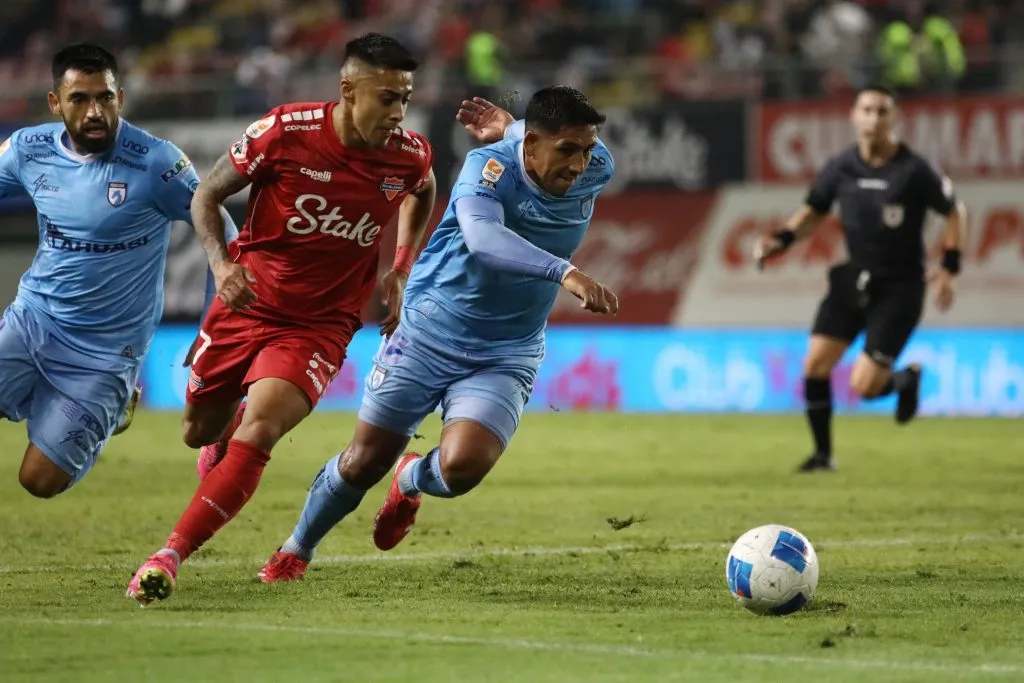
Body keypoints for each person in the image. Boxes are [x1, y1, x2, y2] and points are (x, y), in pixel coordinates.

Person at [256, 86, 619, 584]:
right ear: (532, 145)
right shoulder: (488, 168)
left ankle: (410, 479)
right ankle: (297, 547)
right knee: (364, 462)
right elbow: (483, 238)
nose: (580, 165)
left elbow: (552, 141)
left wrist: (514, 126)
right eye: (567, 151)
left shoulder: (599, 167)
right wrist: (566, 273)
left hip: (507, 348)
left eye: (587, 149)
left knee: (464, 468)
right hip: (428, 329)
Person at [126, 33, 437, 605]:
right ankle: (228, 423)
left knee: (261, 431)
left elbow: (423, 189)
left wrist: (400, 268)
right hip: (245, 302)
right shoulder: (285, 132)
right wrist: (221, 266)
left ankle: (167, 556)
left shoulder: (408, 153)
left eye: (405, 99)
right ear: (348, 90)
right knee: (200, 429)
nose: (398, 113)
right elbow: (207, 196)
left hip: (321, 324)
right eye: (387, 98)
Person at [0, 43, 231, 498]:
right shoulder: (29, 149)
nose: (93, 111)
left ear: (120, 98)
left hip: (104, 355)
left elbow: (220, 224)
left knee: (38, 482)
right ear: (55, 103)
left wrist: (214, 325)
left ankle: (115, 406)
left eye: (104, 98)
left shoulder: (156, 163)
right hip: (33, 322)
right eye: (79, 99)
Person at [754, 85, 966, 472]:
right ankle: (822, 456)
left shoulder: (914, 170)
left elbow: (955, 211)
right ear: (853, 114)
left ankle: (904, 380)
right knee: (815, 365)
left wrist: (949, 266)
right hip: (854, 278)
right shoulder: (840, 167)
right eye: (866, 110)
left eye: (882, 111)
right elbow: (813, 211)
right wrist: (781, 240)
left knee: (864, 388)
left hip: (900, 287)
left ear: (895, 117)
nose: (873, 118)